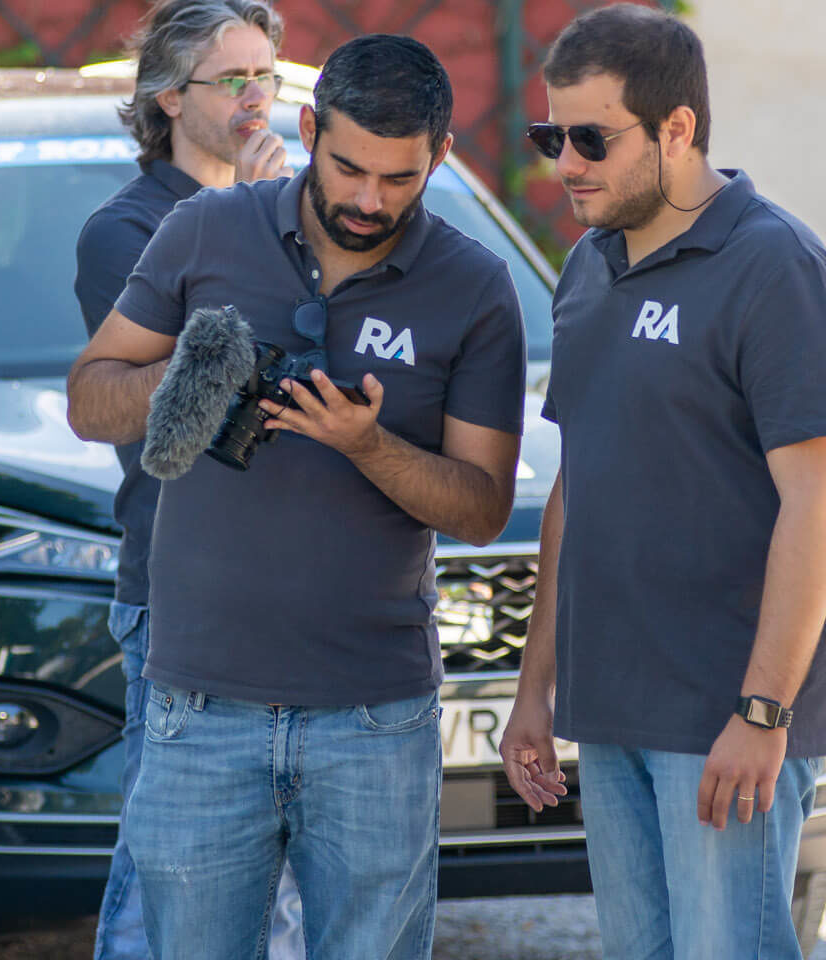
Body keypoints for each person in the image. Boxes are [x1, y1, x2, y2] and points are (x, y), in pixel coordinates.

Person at [66, 33, 526, 960]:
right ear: (309, 128)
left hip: (372, 719)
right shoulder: (205, 229)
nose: (368, 200)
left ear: (439, 155)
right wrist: (188, 377)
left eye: (399, 179)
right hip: (198, 708)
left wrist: (367, 446)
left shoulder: (475, 288)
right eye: (348, 167)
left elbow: (479, 507)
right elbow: (88, 397)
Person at [498, 6, 826, 958]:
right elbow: (576, 489)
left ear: (677, 129)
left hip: (723, 714)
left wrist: (762, 711)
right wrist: (536, 687)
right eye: (551, 136)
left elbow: (819, 501)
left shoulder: (775, 266)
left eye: (591, 138)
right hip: (610, 701)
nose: (565, 162)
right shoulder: (585, 266)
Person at [71, 1, 301, 957]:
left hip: (294, 585)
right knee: (173, 869)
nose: (259, 100)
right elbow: (211, 391)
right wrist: (254, 224)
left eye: (268, 79)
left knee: (270, 882)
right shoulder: (124, 231)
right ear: (167, 98)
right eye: (233, 80)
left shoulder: (301, 209)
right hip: (179, 590)